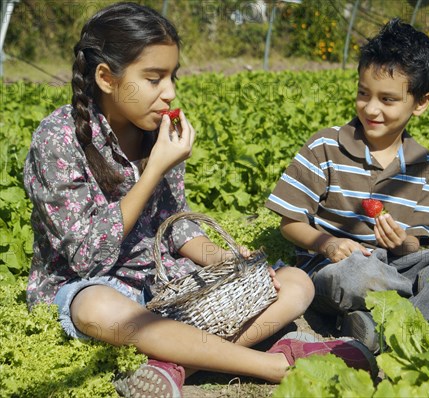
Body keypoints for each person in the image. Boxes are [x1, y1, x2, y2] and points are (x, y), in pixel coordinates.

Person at [23, 3, 376, 397]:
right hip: (93, 288)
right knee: (97, 310)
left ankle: (175, 365)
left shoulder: (160, 130)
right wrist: (153, 169)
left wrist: (229, 262)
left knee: (294, 284)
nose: (169, 93)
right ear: (106, 78)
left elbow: (177, 226)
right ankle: (274, 364)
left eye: (172, 77)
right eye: (153, 78)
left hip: (163, 284)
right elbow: (87, 257)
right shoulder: (58, 139)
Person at [266, 19, 429, 353]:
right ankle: (416, 311)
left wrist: (403, 241)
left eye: (388, 100)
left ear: (421, 103)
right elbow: (290, 223)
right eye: (363, 93)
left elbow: (417, 244)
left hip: (394, 266)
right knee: (359, 274)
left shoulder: (422, 164)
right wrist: (329, 244)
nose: (371, 108)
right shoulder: (325, 147)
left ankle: (379, 321)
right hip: (335, 268)